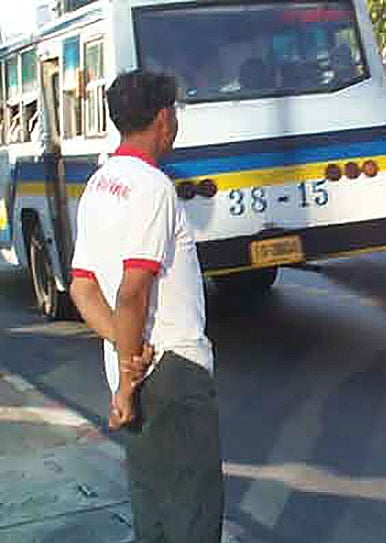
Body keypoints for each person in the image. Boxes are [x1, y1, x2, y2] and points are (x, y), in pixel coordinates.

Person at [69, 70, 223, 542]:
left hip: (137, 371)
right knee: (192, 517)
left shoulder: (99, 185)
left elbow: (82, 289)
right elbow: (132, 291)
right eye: (173, 114)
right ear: (162, 120)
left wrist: (124, 357)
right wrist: (128, 376)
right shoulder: (153, 188)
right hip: (173, 372)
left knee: (153, 516)